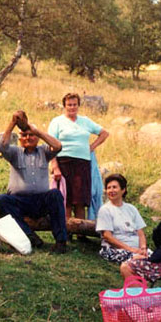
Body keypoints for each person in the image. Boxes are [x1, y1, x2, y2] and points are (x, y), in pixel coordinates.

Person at [0, 111, 68, 254]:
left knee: (55, 194)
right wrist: (12, 124)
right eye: (24, 135)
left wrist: (37, 131)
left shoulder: (44, 151)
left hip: (40, 201)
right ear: (20, 138)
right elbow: (1, 147)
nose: (28, 137)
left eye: (31, 135)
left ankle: (61, 242)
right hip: (20, 201)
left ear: (37, 137)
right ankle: (30, 236)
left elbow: (58, 146)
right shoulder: (15, 152)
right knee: (2, 200)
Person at [48, 93, 110, 224]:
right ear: (64, 106)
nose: (72, 107)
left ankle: (81, 232)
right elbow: (51, 145)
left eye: (74, 104)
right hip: (64, 162)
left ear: (78, 105)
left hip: (82, 164)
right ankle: (67, 230)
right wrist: (55, 166)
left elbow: (104, 133)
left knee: (80, 200)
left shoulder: (85, 121)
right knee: (66, 199)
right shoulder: (57, 122)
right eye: (69, 105)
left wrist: (92, 146)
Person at [96, 174, 150, 263]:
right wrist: (131, 249)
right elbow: (107, 236)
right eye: (109, 188)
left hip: (136, 249)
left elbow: (140, 233)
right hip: (115, 250)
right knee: (140, 260)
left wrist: (143, 248)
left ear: (123, 190)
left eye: (114, 187)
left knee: (154, 257)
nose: (111, 190)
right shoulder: (105, 209)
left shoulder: (131, 208)